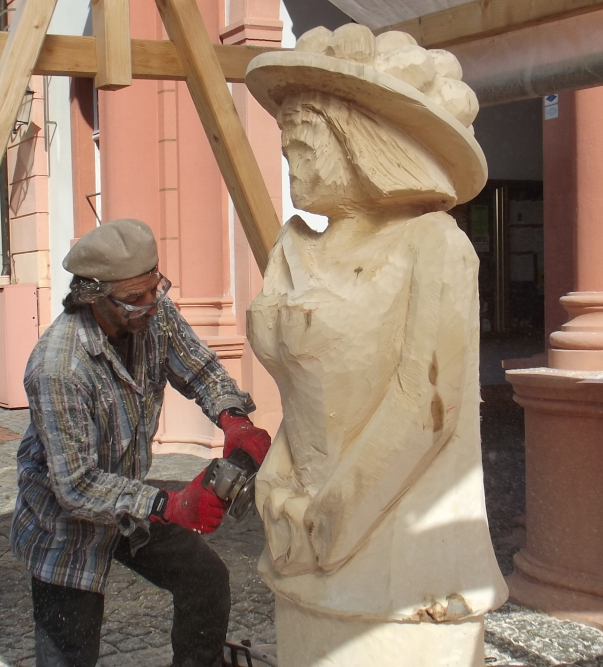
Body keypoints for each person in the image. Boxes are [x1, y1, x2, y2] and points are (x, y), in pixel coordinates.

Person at [244, 25, 507, 665]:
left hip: (391, 554)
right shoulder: (293, 248)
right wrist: (276, 487)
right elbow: (304, 400)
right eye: (288, 149)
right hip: (300, 544)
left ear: (360, 145)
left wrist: (331, 520)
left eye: (307, 147)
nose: (291, 165)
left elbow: (427, 404)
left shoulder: (432, 244)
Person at [10, 218, 272, 667]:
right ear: (93, 296)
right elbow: (76, 486)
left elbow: (200, 370)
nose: (151, 304)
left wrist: (233, 418)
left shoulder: (153, 311)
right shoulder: (58, 367)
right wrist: (171, 504)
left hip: (129, 502)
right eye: (134, 298)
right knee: (69, 651)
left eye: (156, 287)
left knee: (205, 580)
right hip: (64, 523)